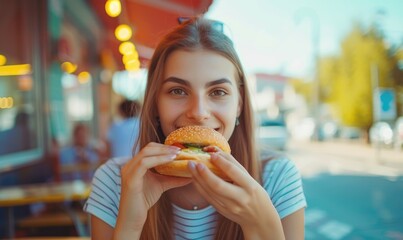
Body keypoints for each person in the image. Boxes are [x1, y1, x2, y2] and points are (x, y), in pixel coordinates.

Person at [84, 17, 306, 240]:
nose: (199, 112)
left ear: (238, 104)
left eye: (218, 92)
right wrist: (130, 228)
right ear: (155, 105)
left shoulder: (277, 178)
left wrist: (261, 225)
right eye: (178, 91)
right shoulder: (114, 181)